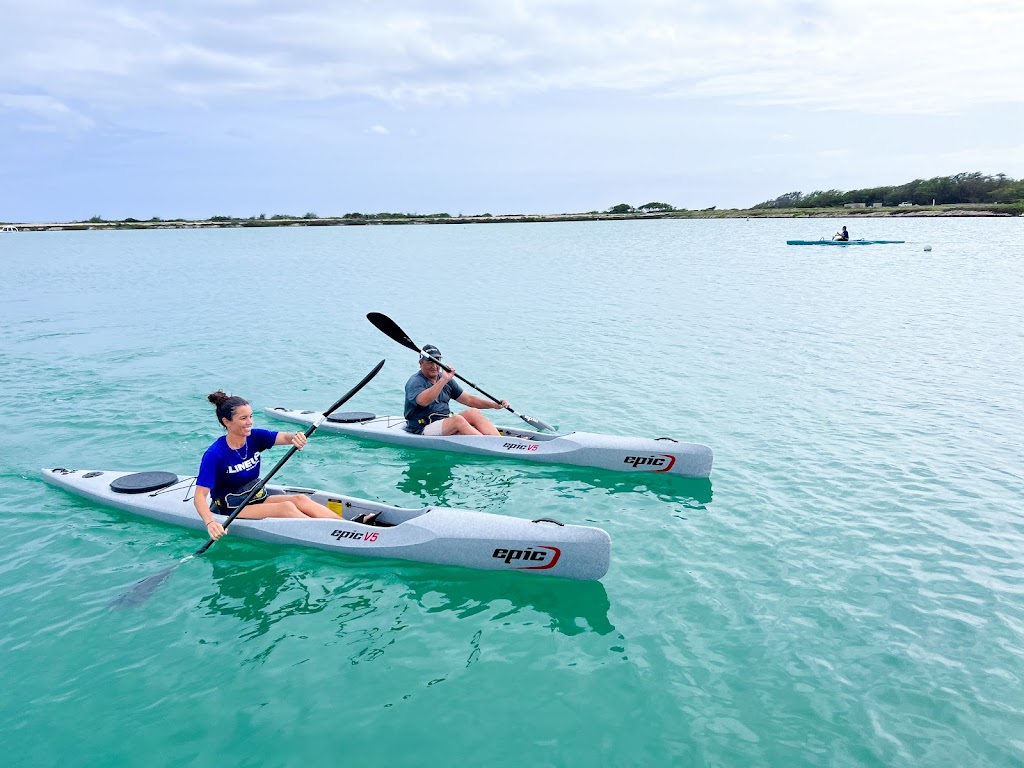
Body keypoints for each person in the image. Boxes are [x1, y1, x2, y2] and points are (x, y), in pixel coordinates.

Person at [195, 390, 357, 541]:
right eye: (243, 418)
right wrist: (210, 523)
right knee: (286, 508)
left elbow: (286, 437)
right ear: (226, 422)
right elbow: (200, 497)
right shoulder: (215, 454)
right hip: (231, 509)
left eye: (251, 416)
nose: (249, 422)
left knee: (300, 499)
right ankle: (333, 536)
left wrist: (297, 437)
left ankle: (351, 527)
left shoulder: (255, 437)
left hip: (257, 497)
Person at [404, 345, 508, 436]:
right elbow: (423, 401)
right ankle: (487, 444)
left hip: (443, 422)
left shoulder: (445, 379)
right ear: (421, 363)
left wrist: (493, 405)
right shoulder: (415, 382)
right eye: (430, 362)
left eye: (437, 361)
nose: (435, 366)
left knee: (473, 412)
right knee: (458, 420)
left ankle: (498, 440)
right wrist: (444, 380)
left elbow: (469, 400)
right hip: (421, 427)